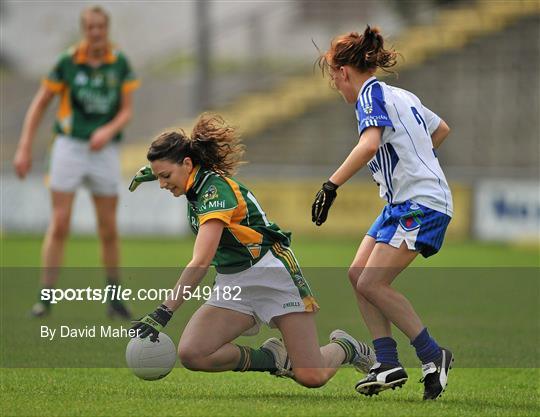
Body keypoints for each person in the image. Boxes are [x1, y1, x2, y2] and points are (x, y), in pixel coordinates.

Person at [128, 113, 376, 387]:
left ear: (188, 163)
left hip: (271, 273)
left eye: (165, 177)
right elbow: (170, 169)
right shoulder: (192, 180)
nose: (163, 184)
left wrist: (165, 310)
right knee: (193, 353)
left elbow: (201, 261)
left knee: (311, 376)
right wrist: (152, 172)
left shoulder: (214, 191)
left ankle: (348, 347)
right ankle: (272, 358)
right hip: (233, 281)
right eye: (159, 177)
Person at [311, 26, 454, 400]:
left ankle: (432, 355)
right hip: (402, 203)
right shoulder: (400, 94)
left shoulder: (369, 94)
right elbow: (441, 129)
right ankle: (386, 362)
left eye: (334, 79)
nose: (337, 88)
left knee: (373, 282)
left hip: (419, 203)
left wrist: (331, 185)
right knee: (358, 274)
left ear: (343, 72)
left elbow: (369, 144)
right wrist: (415, 161)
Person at [13, 5, 139, 318]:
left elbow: (126, 111)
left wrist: (107, 131)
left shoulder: (119, 62)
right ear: (84, 30)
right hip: (69, 147)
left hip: (105, 151)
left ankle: (114, 297)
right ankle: (45, 298)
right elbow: (40, 104)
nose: (96, 32)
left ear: (107, 29)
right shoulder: (67, 62)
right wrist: (24, 147)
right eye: (91, 27)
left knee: (108, 227)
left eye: (101, 27)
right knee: (60, 223)